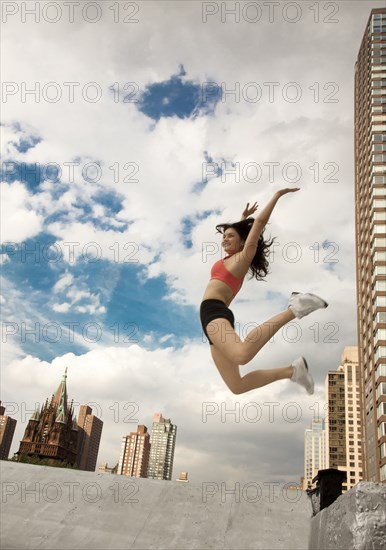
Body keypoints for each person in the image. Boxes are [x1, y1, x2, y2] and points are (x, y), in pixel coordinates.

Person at [200, 188, 328, 395]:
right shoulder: (232, 259)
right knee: (237, 386)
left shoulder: (243, 258)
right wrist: (243, 219)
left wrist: (276, 195)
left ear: (243, 241)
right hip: (211, 319)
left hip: (214, 312)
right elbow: (243, 233)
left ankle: (294, 309)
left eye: (230, 236)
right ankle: (293, 371)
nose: (224, 239)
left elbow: (258, 225)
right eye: (223, 236)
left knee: (242, 355)